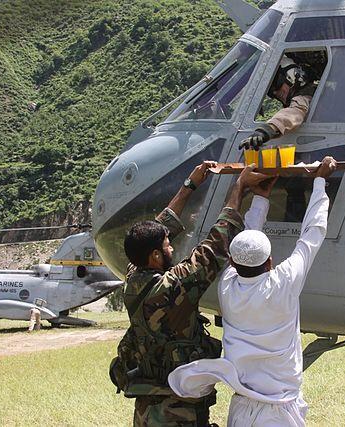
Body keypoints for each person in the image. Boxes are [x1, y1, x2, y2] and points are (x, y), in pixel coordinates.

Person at [168, 157, 338, 427]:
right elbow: (312, 232)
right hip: (280, 411)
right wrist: (320, 182)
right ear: (270, 262)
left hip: (241, 410)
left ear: (232, 262)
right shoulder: (282, 282)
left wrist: (261, 197)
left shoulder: (227, 286)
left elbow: (301, 236)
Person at [111, 161, 269, 427]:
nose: (172, 247)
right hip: (177, 409)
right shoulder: (172, 288)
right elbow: (215, 247)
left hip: (147, 406)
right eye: (167, 246)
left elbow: (159, 227)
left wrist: (190, 184)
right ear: (155, 256)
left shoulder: (133, 276)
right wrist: (239, 187)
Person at [239, 56, 315, 151]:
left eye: (277, 84)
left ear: (292, 77)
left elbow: (295, 112)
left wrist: (267, 130)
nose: (275, 93)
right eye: (270, 91)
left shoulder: (306, 96)